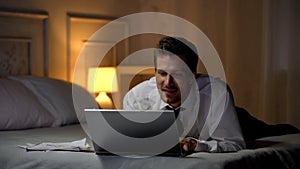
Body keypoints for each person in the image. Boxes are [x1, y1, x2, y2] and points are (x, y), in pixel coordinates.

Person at [123, 36, 245, 154]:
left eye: (177, 74)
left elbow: (234, 144)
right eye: (162, 73)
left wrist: (197, 145)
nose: (168, 83)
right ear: (155, 73)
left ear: (193, 76)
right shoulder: (136, 98)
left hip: (241, 120)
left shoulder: (217, 94)